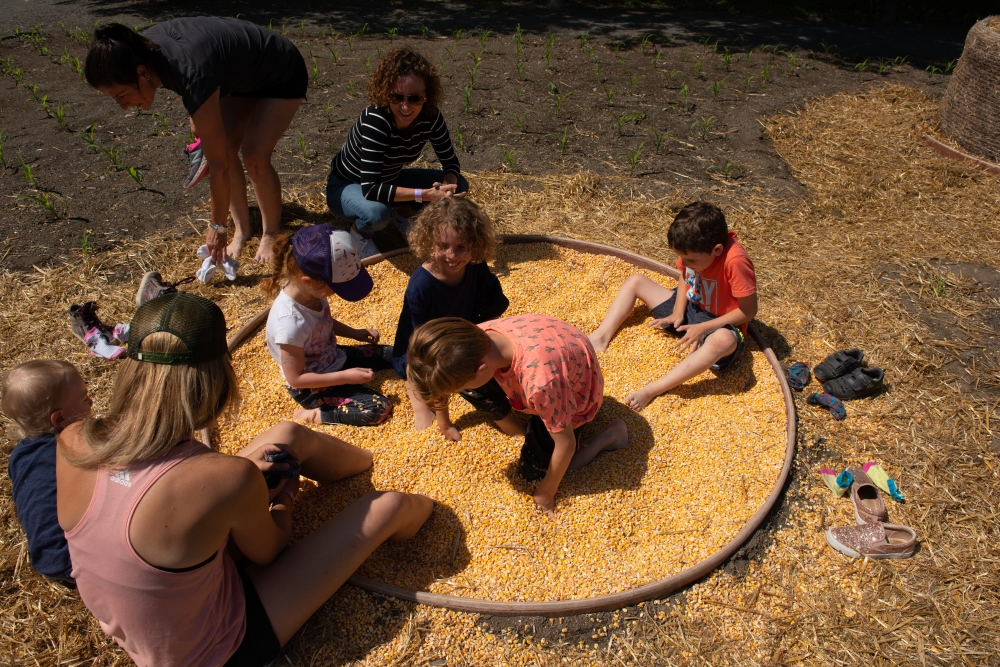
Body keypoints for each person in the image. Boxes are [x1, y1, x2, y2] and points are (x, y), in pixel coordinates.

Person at [57, 292, 433, 667]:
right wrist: (286, 491)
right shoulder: (224, 478)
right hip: (214, 649)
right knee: (390, 505)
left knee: (288, 434)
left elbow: (152, 486)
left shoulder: (73, 440)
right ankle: (430, 506)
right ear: (216, 379)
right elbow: (270, 549)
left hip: (163, 604)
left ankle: (366, 460)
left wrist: (244, 483)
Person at [85, 18, 307, 265]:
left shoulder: (187, 70)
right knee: (227, 147)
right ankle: (243, 230)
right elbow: (204, 63)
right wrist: (197, 110)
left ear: (141, 72)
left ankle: (270, 233)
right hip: (237, 75)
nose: (123, 106)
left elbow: (218, 165)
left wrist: (216, 226)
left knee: (254, 155)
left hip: (279, 69)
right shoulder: (135, 51)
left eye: (122, 95)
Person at [407, 315, 629, 518]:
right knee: (468, 386)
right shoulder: (469, 339)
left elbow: (566, 443)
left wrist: (546, 494)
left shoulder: (541, 383)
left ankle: (610, 436)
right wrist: (444, 423)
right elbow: (439, 374)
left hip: (575, 398)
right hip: (553, 355)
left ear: (483, 369)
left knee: (536, 473)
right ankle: (515, 427)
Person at [589, 202, 758, 411]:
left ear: (717, 250)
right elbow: (684, 275)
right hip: (690, 308)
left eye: (690, 259)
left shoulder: (735, 261)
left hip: (718, 324)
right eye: (681, 257)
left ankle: (653, 389)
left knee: (722, 340)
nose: (684, 263)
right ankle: (600, 337)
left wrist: (704, 328)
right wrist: (678, 311)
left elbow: (748, 311)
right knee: (636, 281)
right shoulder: (695, 254)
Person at [326, 46, 467, 259]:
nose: (405, 106)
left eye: (414, 98)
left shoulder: (431, 117)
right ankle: (359, 236)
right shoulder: (376, 120)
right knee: (376, 213)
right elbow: (371, 189)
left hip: (390, 179)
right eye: (396, 97)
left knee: (460, 185)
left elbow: (451, 162)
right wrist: (426, 195)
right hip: (349, 185)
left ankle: (403, 215)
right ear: (385, 93)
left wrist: (447, 187)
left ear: (427, 96)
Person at [390, 197, 515, 436]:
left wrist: (479, 333)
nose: (452, 255)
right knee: (420, 371)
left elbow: (494, 302)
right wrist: (442, 416)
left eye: (461, 247)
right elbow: (421, 347)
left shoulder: (475, 266)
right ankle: (417, 400)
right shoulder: (421, 287)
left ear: (475, 244)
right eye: (443, 246)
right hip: (428, 343)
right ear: (429, 242)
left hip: (464, 332)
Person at [263, 224, 395, 426]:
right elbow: (296, 378)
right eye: (337, 288)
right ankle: (316, 414)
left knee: (393, 353)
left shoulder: (311, 294)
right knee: (377, 408)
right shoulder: (289, 324)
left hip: (332, 356)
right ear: (309, 281)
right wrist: (345, 377)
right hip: (312, 385)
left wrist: (354, 333)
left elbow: (322, 322)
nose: (338, 293)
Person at [1, 360, 93, 583]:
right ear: (60, 418)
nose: (91, 401)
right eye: (84, 399)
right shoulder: (66, 454)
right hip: (67, 559)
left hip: (48, 556)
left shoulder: (20, 455)